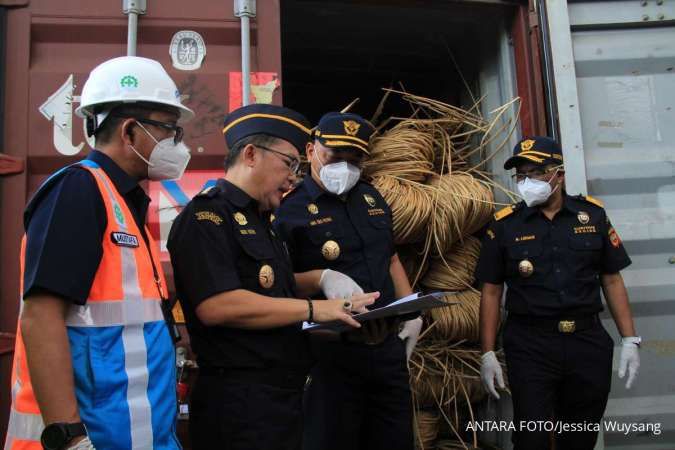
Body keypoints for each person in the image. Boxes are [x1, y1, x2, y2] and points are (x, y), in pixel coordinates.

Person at [4, 56, 193, 450]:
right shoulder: (78, 191)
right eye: (170, 130)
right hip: (93, 440)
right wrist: (70, 437)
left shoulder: (122, 202)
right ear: (130, 131)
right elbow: (41, 316)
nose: (178, 144)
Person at [166, 104, 377, 450]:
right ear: (251, 154)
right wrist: (314, 310)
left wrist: (332, 297)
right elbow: (218, 305)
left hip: (282, 399)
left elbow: (274, 287)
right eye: (289, 163)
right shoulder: (208, 217)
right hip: (239, 405)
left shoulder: (264, 221)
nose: (294, 176)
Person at [476, 136, 641, 449]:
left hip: (586, 341)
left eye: (536, 173)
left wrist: (630, 338)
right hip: (530, 344)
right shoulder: (504, 226)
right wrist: (487, 352)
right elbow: (492, 291)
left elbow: (612, 280)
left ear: (559, 175)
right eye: (521, 176)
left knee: (580, 436)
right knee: (532, 436)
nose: (527, 182)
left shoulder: (591, 216)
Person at [273, 112, 421, 450]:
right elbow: (278, 285)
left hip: (386, 352)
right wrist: (322, 279)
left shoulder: (372, 199)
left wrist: (412, 311)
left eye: (354, 159)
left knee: (395, 440)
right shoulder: (288, 209)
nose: (345, 167)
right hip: (330, 355)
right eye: (334, 156)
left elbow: (391, 256)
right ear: (310, 150)